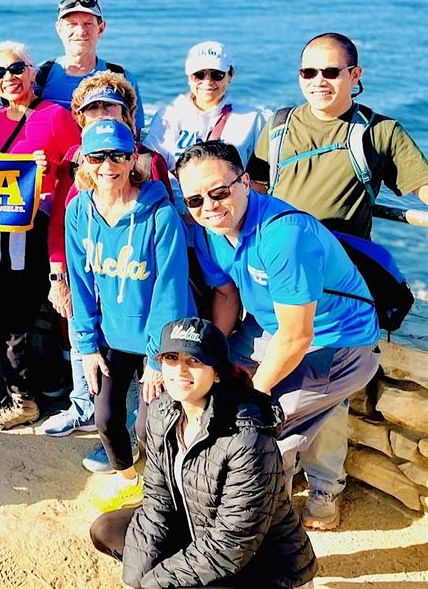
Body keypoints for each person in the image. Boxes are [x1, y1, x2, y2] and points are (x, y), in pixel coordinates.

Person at [246, 33, 428, 530]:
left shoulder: (378, 132)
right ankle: (273, 491)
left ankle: (325, 491)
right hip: (276, 275)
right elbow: (253, 192)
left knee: (325, 393)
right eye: (309, 73)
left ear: (356, 75)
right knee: (278, 386)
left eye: (331, 72)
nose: (319, 82)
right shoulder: (280, 126)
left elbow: (421, 185)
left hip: (337, 284)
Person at [177, 140, 381, 523]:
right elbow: (225, 294)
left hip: (337, 340)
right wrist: (212, 354)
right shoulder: (209, 232)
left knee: (263, 429)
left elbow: (297, 337)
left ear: (246, 182)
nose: (209, 206)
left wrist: (257, 391)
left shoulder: (283, 236)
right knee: (208, 388)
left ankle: (266, 532)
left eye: (219, 192)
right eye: (195, 200)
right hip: (272, 326)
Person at [90, 317, 318, 589]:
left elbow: (231, 545)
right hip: (198, 532)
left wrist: (156, 583)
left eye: (195, 361)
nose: (180, 371)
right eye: (171, 357)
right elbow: (156, 504)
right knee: (107, 530)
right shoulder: (162, 412)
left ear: (217, 372)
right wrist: (136, 581)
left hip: (259, 563)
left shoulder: (248, 439)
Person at [40, 71, 171, 476]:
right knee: (95, 371)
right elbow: (63, 219)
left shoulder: (148, 164)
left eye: (109, 106)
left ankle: (138, 446)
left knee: (142, 394)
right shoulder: (75, 165)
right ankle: (99, 428)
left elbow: (159, 236)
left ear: (127, 114)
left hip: (138, 283)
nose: (101, 113)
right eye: (91, 108)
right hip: (97, 282)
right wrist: (58, 275)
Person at [66, 120, 191, 512]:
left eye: (118, 155)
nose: (108, 165)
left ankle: (164, 496)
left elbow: (170, 290)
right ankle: (127, 481)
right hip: (111, 337)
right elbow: (81, 284)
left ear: (133, 158)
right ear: (85, 161)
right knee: (105, 418)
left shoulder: (161, 215)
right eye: (98, 156)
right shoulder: (78, 212)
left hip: (158, 341)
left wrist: (159, 357)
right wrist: (86, 346)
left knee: (149, 426)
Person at [0, 41, 80, 430]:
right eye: (0, 72)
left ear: (33, 72)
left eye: (17, 68)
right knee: (6, 314)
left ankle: (23, 402)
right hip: (0, 228)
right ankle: (20, 387)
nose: (10, 78)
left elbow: (78, 170)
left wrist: (47, 168)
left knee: (17, 316)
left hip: (36, 230)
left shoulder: (55, 115)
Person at [144, 40, 267, 197]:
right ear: (189, 76)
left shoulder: (252, 118)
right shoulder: (167, 116)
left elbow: (262, 181)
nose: (208, 82)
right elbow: (151, 166)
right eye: (199, 75)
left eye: (217, 74)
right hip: (175, 207)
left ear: (230, 75)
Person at [36, 0, 145, 131]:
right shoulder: (40, 75)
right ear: (59, 28)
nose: (80, 31)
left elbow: (135, 134)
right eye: (72, 24)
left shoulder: (120, 78)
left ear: (101, 28)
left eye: (88, 24)